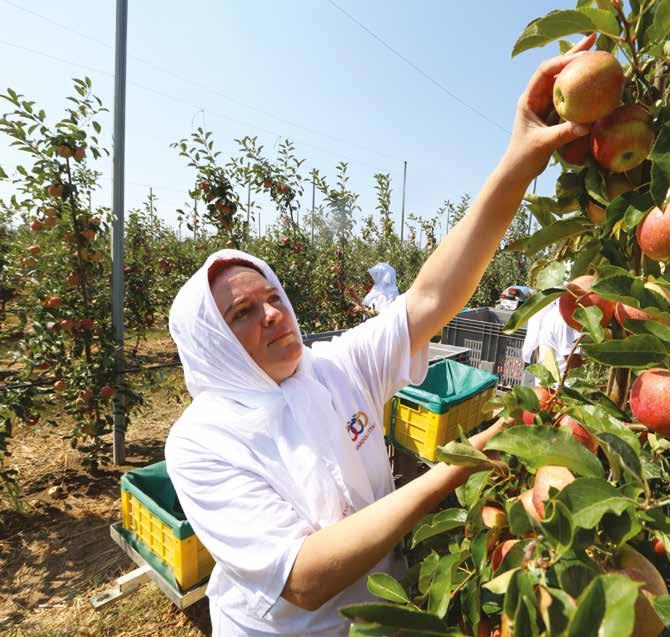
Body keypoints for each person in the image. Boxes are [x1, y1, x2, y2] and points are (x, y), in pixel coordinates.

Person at [164, 33, 597, 637]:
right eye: (241, 314)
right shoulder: (201, 442)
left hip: (384, 615)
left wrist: (521, 156)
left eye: (272, 298)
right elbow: (304, 575)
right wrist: (457, 466)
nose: (271, 315)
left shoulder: (332, 366)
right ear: (212, 344)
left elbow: (429, 297)